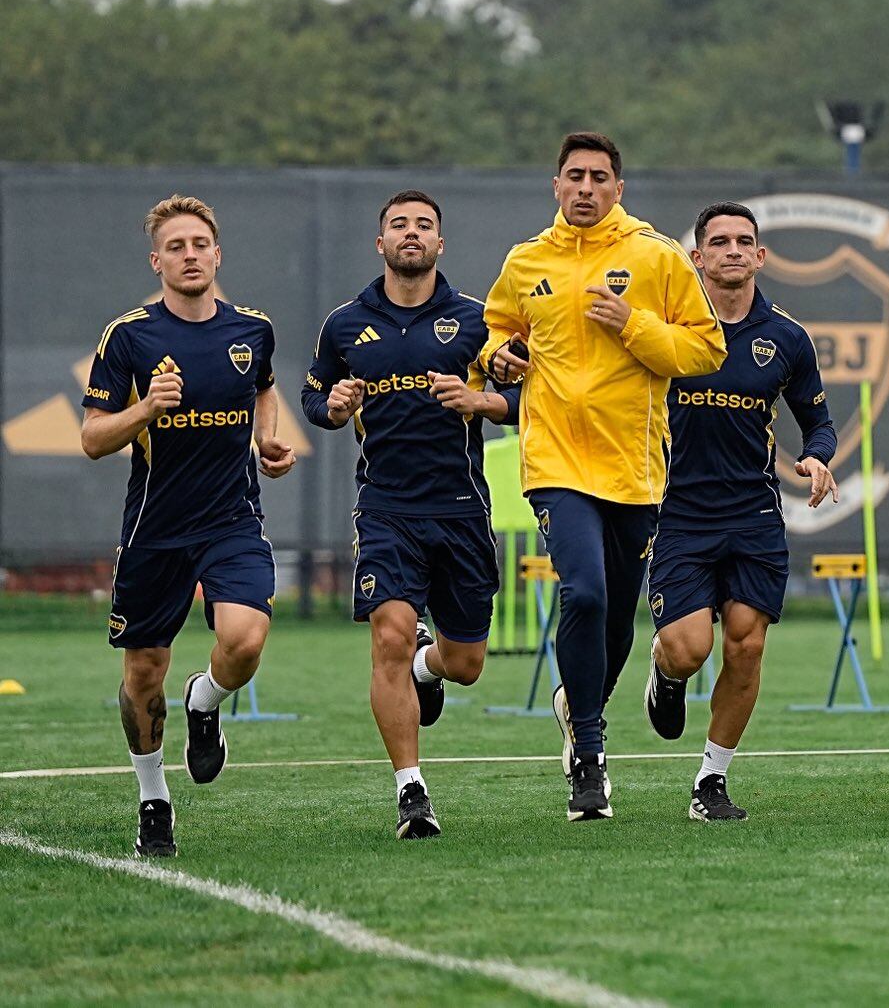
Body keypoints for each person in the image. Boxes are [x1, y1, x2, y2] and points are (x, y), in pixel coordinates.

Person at [483, 132, 726, 820]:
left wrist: (635, 324)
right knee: (583, 594)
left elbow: (705, 349)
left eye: (599, 177)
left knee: (617, 614)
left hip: (635, 467)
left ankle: (575, 702)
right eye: (574, 177)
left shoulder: (656, 257)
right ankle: (588, 756)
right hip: (555, 460)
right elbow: (496, 328)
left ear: (619, 188)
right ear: (555, 186)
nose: (586, 188)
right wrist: (501, 356)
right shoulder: (528, 259)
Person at [80, 195, 296, 857]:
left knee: (246, 638)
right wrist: (146, 408)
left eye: (200, 243)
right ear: (157, 261)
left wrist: (268, 439)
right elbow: (92, 438)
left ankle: (204, 702)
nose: (190, 254)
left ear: (218, 254)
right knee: (144, 671)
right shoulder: (130, 337)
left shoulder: (252, 330)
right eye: (176, 246)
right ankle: (153, 800)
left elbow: (262, 386)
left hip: (232, 520)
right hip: (155, 531)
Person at [302, 190, 516, 838]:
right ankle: (411, 791)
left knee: (467, 664)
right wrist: (334, 406)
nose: (412, 234)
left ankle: (431, 666)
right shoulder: (346, 325)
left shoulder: (476, 321)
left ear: (440, 244)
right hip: (386, 506)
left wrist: (480, 402)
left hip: (459, 509)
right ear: (381, 243)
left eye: (424, 225)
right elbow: (316, 397)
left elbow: (524, 395)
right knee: (389, 635)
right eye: (399, 225)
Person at [644, 203, 838, 823]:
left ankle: (711, 780)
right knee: (687, 647)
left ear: (760, 256)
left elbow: (819, 421)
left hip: (754, 516)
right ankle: (665, 676)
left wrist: (816, 458)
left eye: (744, 241)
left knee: (747, 645)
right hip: (677, 515)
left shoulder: (787, 337)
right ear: (696, 257)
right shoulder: (664, 329)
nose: (732, 250)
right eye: (718, 241)